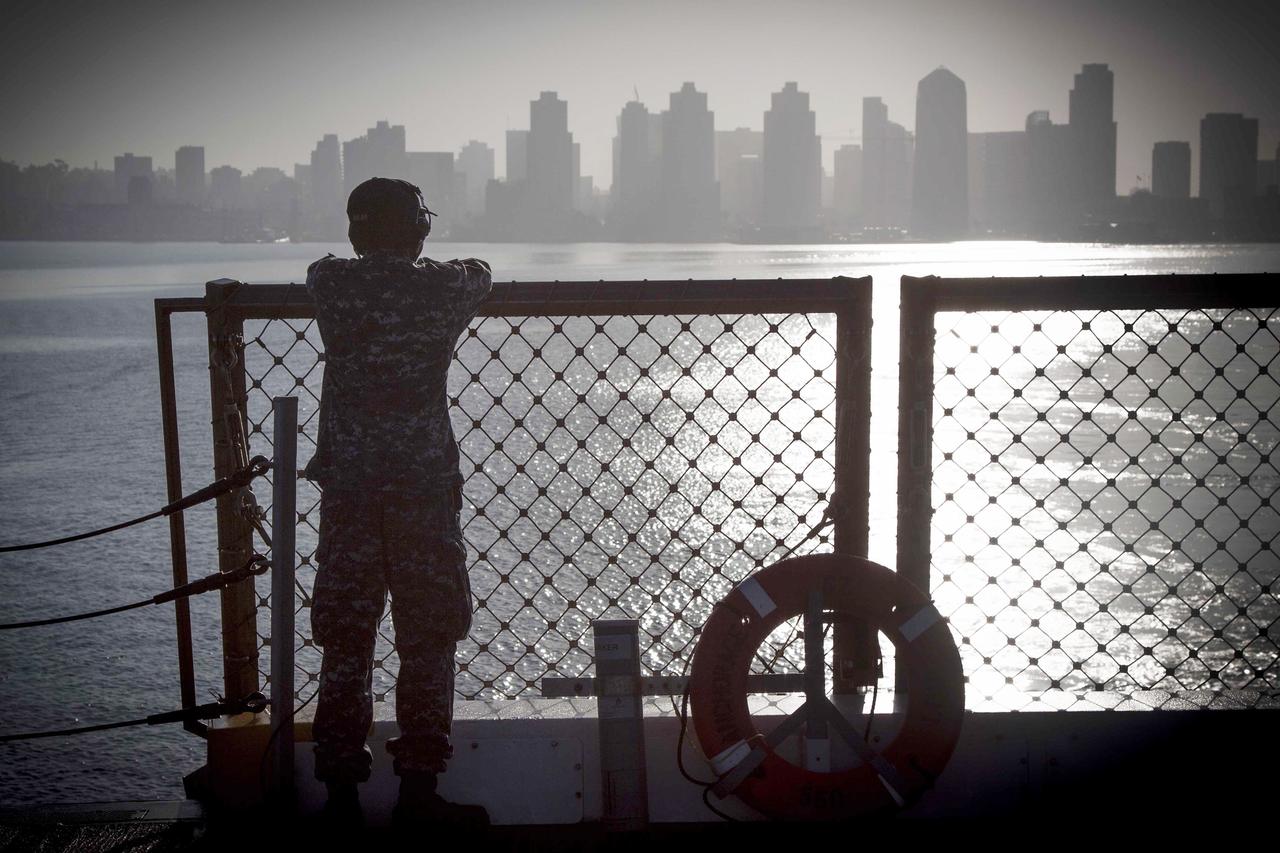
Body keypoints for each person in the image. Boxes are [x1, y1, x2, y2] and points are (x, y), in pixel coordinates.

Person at [303, 177, 492, 826]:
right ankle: (417, 791)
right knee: (430, 635)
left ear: (356, 232)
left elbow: (329, 266)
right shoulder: (441, 289)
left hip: (350, 493)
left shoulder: (330, 283)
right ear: (416, 229)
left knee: (347, 640)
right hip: (421, 493)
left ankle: (340, 796)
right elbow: (480, 273)